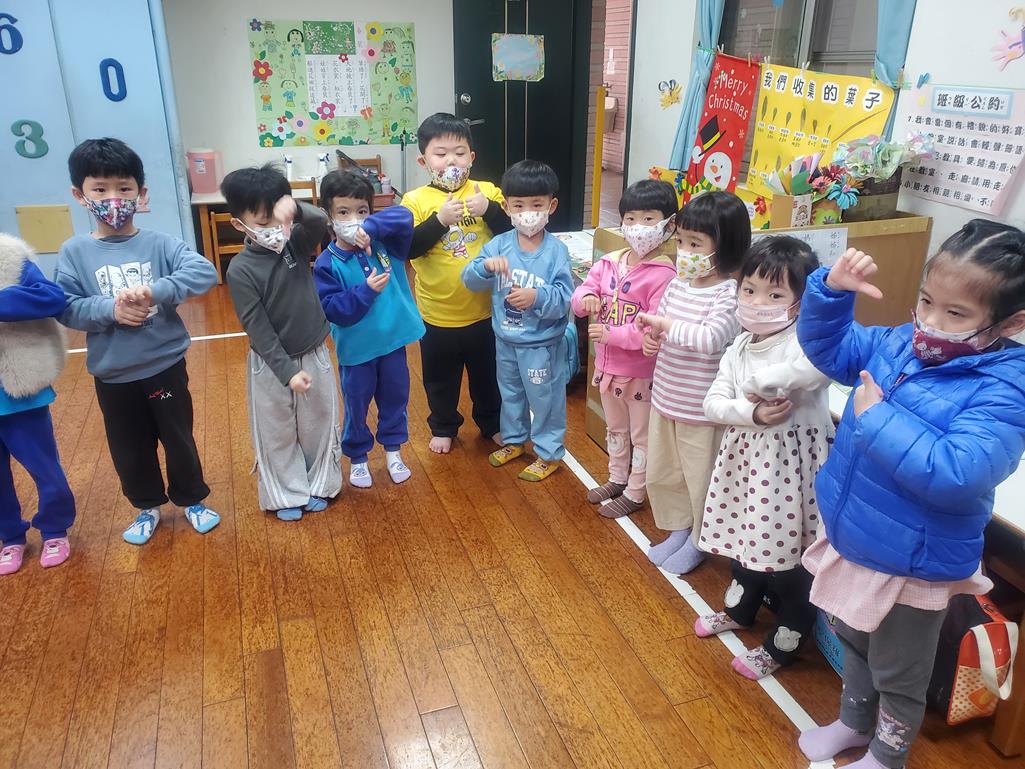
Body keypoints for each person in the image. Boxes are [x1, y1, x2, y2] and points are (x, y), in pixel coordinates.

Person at [795, 221, 1025, 769]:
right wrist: (831, 292)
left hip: (913, 563)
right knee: (853, 640)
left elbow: (958, 472)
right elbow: (832, 350)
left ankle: (888, 754)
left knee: (899, 671)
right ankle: (854, 723)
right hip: (858, 536)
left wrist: (876, 419)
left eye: (956, 313)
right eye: (926, 301)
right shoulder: (903, 341)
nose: (931, 322)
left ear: (1011, 323)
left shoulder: (1006, 388)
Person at [56, 138, 220, 545]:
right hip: (113, 375)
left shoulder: (160, 243)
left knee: (178, 438)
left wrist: (155, 291)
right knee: (129, 447)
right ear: (80, 195)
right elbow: (66, 307)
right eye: (100, 189)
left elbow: (204, 273)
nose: (113, 198)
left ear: (141, 193)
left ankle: (192, 499)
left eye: (124, 188)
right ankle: (146, 507)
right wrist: (109, 310)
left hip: (164, 367)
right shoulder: (74, 251)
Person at [687, 236, 831, 680]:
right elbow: (713, 403)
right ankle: (741, 608)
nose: (756, 303)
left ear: (801, 303)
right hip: (745, 463)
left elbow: (814, 369)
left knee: (788, 559)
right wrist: (751, 412)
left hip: (788, 474)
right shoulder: (739, 346)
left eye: (775, 294)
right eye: (749, 290)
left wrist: (760, 386)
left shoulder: (807, 343)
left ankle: (786, 640)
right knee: (743, 537)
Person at [633, 191, 750, 574]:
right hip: (666, 400)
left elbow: (710, 339)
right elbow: (661, 331)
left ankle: (700, 539)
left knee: (701, 481)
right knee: (665, 474)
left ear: (725, 247)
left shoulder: (730, 295)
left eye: (695, 244)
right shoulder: (677, 285)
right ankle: (679, 530)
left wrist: (665, 326)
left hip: (701, 411)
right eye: (681, 241)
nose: (684, 252)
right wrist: (652, 338)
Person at [222, 164, 342, 521]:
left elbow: (319, 221)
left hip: (314, 351)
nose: (275, 228)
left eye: (279, 218)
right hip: (271, 363)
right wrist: (287, 371)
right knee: (276, 430)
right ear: (239, 224)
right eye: (264, 222)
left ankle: (319, 484)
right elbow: (257, 328)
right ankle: (286, 494)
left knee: (320, 422)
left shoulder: (295, 242)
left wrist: (295, 208)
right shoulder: (240, 270)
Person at [401, 113, 510, 454]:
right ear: (423, 161)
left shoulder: (486, 191)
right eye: (441, 153)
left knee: (488, 376)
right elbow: (408, 248)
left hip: (485, 312)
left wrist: (490, 210)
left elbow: (513, 234)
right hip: (437, 315)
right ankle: (444, 425)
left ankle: (492, 422)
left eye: (460, 153)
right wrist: (439, 221)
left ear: (471, 158)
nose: (451, 161)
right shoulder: (414, 200)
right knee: (440, 379)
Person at [571, 179, 678, 517]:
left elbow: (652, 328)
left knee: (641, 436)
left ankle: (635, 492)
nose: (638, 227)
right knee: (615, 429)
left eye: (648, 219)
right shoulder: (608, 263)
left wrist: (611, 335)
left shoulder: (665, 275)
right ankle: (617, 478)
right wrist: (587, 297)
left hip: (639, 374)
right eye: (630, 218)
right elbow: (581, 297)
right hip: (607, 368)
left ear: (668, 225)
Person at [462, 160, 574, 481]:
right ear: (506, 206)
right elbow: (469, 279)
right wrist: (485, 267)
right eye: (519, 205)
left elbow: (565, 298)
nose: (527, 213)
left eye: (536, 205)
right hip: (505, 340)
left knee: (545, 400)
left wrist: (536, 297)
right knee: (509, 394)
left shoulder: (556, 252)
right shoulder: (498, 245)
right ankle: (513, 441)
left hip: (541, 345)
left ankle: (549, 453)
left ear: (551, 206)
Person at [313, 170, 424, 488]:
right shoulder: (326, 263)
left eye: (361, 211)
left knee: (395, 401)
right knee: (357, 406)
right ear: (329, 217)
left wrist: (370, 227)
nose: (354, 220)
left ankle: (393, 452)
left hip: (393, 345)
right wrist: (365, 292)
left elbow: (404, 217)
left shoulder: (385, 244)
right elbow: (333, 309)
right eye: (343, 212)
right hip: (357, 353)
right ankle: (358, 457)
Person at [0, 234, 76, 574]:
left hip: (20, 391)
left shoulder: (9, 256)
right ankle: (10, 536)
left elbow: (51, 297)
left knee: (44, 468)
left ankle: (55, 530)